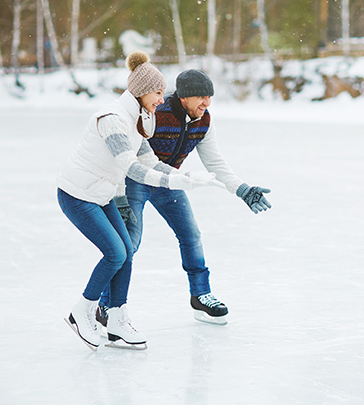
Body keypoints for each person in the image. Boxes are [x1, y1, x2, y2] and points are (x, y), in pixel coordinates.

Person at [57, 51, 221, 351]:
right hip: (78, 194)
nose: (162, 99)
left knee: (126, 252)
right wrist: (176, 181)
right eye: (158, 92)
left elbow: (151, 161)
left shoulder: (140, 119)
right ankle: (82, 310)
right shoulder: (113, 120)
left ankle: (117, 320)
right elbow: (131, 168)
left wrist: (187, 178)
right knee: (115, 254)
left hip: (103, 194)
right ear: (143, 91)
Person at [97, 69, 272, 326]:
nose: (207, 103)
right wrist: (120, 196)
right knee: (128, 245)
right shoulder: (155, 113)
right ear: (184, 97)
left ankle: (200, 295)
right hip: (136, 181)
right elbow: (124, 158)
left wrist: (241, 189)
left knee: (191, 236)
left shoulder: (203, 120)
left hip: (170, 181)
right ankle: (104, 305)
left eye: (209, 97)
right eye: (201, 97)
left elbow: (215, 161)